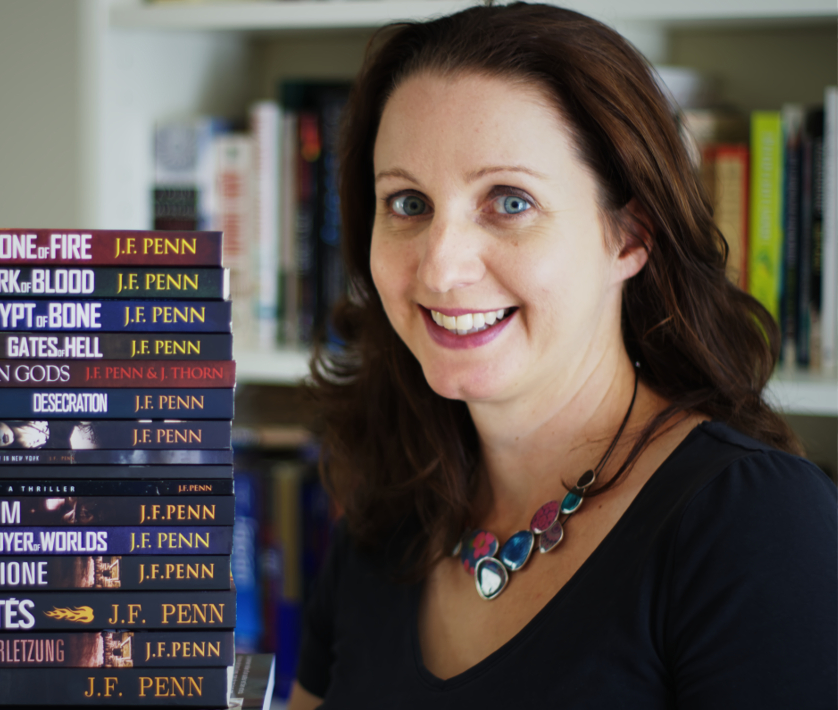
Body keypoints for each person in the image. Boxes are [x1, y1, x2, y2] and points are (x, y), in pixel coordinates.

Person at [289, 3, 837, 708]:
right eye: (408, 203)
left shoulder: (757, 526)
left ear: (629, 237)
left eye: (509, 201)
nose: (441, 268)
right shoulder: (386, 518)